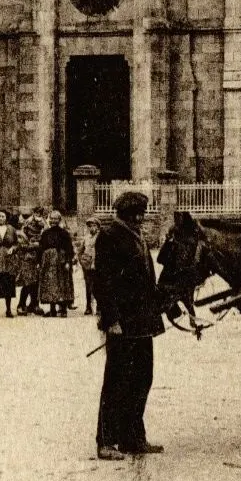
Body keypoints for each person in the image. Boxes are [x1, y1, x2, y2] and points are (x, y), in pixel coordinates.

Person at [93, 190, 165, 461]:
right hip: (122, 322)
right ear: (126, 214)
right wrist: (111, 321)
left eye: (142, 213)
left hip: (142, 321)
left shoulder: (137, 236)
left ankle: (133, 437)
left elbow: (146, 278)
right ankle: (106, 441)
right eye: (137, 214)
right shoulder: (110, 236)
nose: (142, 218)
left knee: (142, 378)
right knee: (116, 381)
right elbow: (103, 282)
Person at [38, 210, 75, 317]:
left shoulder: (64, 233)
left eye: (56, 219)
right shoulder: (45, 233)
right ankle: (52, 309)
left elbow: (69, 249)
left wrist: (68, 261)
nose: (53, 221)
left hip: (61, 261)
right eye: (52, 218)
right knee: (50, 284)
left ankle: (63, 309)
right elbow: (41, 248)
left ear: (59, 220)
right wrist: (39, 262)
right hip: (48, 262)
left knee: (63, 283)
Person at [14, 217, 41, 315]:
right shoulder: (21, 235)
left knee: (36, 284)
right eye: (32, 227)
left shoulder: (39, 236)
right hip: (25, 262)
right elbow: (23, 246)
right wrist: (35, 245)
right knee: (27, 284)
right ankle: (21, 305)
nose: (33, 230)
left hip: (36, 262)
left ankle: (34, 304)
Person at [79, 219, 99, 315]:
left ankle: (99, 307)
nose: (92, 228)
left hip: (98, 264)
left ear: (98, 227)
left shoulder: (100, 237)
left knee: (98, 285)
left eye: (94, 225)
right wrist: (81, 261)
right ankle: (88, 306)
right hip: (87, 265)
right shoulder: (86, 238)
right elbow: (80, 251)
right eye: (90, 226)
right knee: (88, 286)